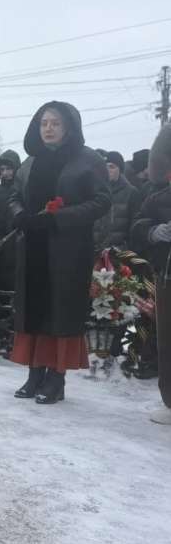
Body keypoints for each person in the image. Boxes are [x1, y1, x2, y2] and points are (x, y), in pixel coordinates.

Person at [8, 101, 110, 404]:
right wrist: (18, 215)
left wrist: (59, 218)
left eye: (55, 123)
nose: (48, 128)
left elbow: (102, 201)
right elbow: (14, 195)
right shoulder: (30, 162)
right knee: (34, 310)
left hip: (67, 250)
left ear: (68, 127)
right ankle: (34, 373)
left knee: (59, 311)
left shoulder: (87, 160)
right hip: (33, 249)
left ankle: (56, 378)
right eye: (43, 123)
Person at [131, 124, 171, 424]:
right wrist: (154, 232)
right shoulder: (159, 196)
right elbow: (137, 225)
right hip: (167, 276)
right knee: (167, 338)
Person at [93, 150, 143, 252]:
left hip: (119, 254)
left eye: (112, 166)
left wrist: (124, 249)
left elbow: (136, 227)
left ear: (120, 170)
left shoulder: (131, 192)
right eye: (105, 166)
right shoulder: (93, 190)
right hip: (93, 252)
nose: (107, 170)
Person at [0, 150, 22, 291]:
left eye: (9, 168)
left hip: (19, 242)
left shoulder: (23, 190)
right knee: (0, 282)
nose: (5, 172)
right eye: (2, 169)